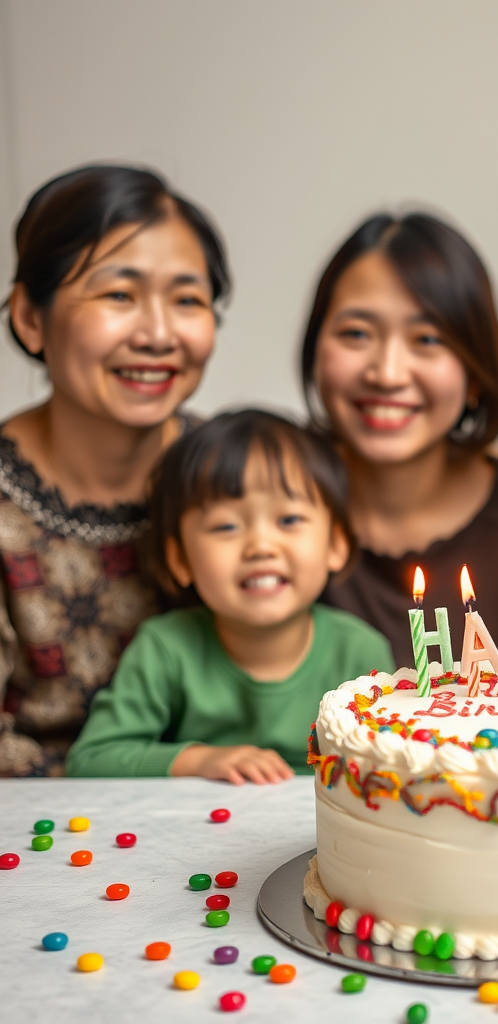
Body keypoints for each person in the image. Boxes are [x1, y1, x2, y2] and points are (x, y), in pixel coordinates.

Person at [0, 164, 230, 777]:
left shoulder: (236, 472)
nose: (158, 334)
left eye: (186, 299)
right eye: (118, 295)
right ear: (30, 317)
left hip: (224, 819)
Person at [302, 212, 498, 665]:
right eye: (356, 333)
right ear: (315, 350)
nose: (387, 373)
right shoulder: (269, 496)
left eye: (427, 338)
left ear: (476, 371)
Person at [66, 410, 392, 781]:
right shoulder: (165, 648)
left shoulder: (359, 651)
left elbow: (383, 765)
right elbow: (91, 760)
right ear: (181, 559)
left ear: (335, 544)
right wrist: (199, 761)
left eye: (288, 520)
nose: (261, 546)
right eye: (226, 526)